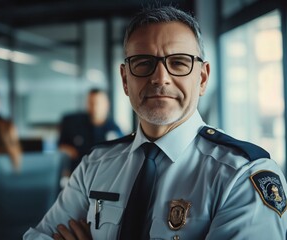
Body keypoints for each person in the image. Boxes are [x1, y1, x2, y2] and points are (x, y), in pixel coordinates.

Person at [24, 5, 287, 240]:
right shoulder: (95, 165)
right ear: (126, 80)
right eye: (143, 63)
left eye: (179, 62)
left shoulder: (241, 175)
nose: (160, 78)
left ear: (203, 78)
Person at [58, 89, 123, 175]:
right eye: (91, 103)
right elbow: (61, 146)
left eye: (97, 103)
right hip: (76, 174)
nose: (94, 107)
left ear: (106, 105)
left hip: (102, 175)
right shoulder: (74, 124)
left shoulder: (114, 131)